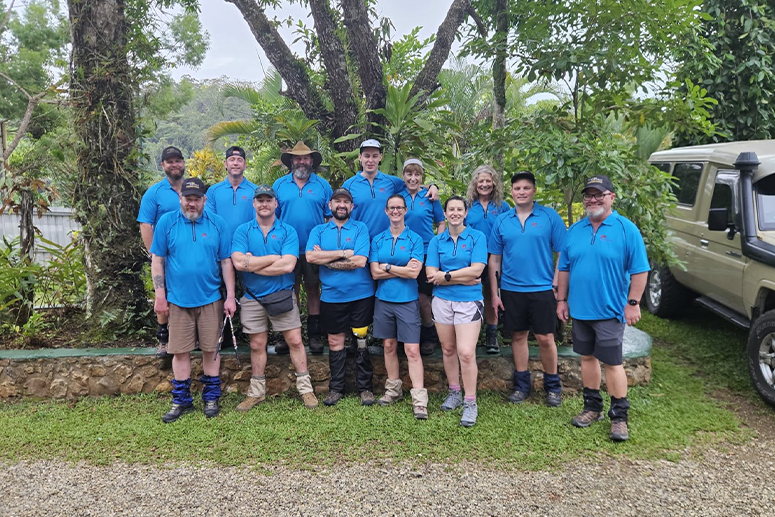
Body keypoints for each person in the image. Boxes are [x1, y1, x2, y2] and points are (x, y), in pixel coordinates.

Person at [556, 175, 649, 442]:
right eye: (588, 195)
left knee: (612, 362)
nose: (593, 199)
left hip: (610, 311)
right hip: (580, 311)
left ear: (611, 197)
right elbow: (564, 268)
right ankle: (592, 407)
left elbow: (640, 270)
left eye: (599, 194)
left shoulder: (625, 229)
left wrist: (633, 303)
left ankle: (619, 417)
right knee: (587, 359)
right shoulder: (575, 230)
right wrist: (562, 300)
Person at [150, 177, 237, 422]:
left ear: (204, 200)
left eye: (196, 199)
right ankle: (181, 401)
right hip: (178, 301)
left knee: (211, 350)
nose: (192, 203)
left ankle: (211, 398)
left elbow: (226, 262)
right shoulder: (167, 223)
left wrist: (230, 297)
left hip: (210, 298)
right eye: (188, 198)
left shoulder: (217, 224)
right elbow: (157, 260)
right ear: (181, 198)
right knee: (180, 353)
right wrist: (160, 295)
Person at [230, 185, 318, 411]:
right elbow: (238, 262)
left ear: (276, 204)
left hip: (282, 294)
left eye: (268, 200)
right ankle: (256, 393)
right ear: (254, 203)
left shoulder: (288, 230)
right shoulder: (243, 231)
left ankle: (306, 389)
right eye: (260, 200)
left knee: (295, 341)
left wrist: (253, 265)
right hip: (252, 297)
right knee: (257, 344)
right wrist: (272, 258)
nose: (264, 204)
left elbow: (288, 264)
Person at [489, 171, 566, 407]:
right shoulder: (503, 220)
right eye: (517, 188)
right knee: (518, 336)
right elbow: (494, 259)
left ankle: (553, 386)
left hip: (543, 288)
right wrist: (494, 292)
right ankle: (522, 384)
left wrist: (556, 285)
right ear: (511, 192)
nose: (521, 192)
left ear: (534, 191)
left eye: (526, 188)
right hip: (511, 289)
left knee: (545, 337)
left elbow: (563, 253)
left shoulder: (549, 217)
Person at [306, 188, 376, 406]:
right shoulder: (318, 230)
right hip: (331, 296)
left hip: (361, 294)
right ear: (330, 205)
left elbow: (361, 261)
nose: (342, 205)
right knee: (335, 341)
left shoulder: (360, 228)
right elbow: (310, 256)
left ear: (352, 206)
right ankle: (336, 388)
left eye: (346, 201)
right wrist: (345, 252)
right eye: (338, 201)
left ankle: (365, 388)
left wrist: (325, 260)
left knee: (361, 340)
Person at [426, 196, 487, 427]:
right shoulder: (436, 241)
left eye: (459, 209)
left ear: (465, 212)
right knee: (448, 349)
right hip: (442, 301)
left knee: (466, 352)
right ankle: (454, 392)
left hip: (469, 302)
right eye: (451, 209)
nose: (455, 213)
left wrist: (447, 276)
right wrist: (460, 277)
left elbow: (478, 269)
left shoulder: (476, 237)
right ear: (445, 212)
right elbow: (432, 275)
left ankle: (470, 402)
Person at [369, 194, 428, 419]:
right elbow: (374, 272)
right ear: (386, 211)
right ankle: (393, 390)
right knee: (389, 346)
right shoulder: (378, 239)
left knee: (412, 350)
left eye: (399, 208)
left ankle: (419, 399)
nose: (395, 212)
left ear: (405, 211)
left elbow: (414, 273)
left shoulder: (414, 239)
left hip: (407, 300)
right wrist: (397, 269)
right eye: (391, 208)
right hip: (383, 300)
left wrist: (386, 267)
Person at [272, 141, 333, 355]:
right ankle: (287, 335)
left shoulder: (323, 186)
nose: (301, 161)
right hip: (287, 250)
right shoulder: (279, 185)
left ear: (311, 161)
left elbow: (330, 218)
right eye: (297, 158)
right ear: (291, 162)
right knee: (290, 291)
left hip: (314, 249)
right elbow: (273, 218)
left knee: (314, 290)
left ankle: (315, 335)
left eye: (306, 158)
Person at [137, 146, 187, 358]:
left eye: (178, 160)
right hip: (165, 255)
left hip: (191, 254)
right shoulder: (154, 193)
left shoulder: (194, 189)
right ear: (163, 165)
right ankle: (163, 339)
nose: (174, 164)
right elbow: (146, 224)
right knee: (162, 296)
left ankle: (187, 335)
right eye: (170, 161)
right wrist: (153, 253)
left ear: (184, 163)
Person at [342, 139, 438, 239]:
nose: (370, 160)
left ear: (380, 157)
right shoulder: (349, 185)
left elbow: (413, 184)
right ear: (360, 157)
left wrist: (432, 187)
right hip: (360, 242)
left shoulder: (391, 182)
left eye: (375, 156)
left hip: (386, 242)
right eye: (367, 156)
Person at [400, 158, 446, 356]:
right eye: (409, 174)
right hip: (403, 251)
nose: (413, 178)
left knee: (423, 297)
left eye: (417, 174)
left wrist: (439, 242)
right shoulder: (398, 196)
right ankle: (408, 336)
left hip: (427, 251)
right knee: (405, 296)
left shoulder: (429, 197)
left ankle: (429, 334)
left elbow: (441, 221)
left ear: (422, 177)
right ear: (403, 176)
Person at [465, 165, 510, 354]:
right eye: (480, 181)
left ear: (494, 183)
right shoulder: (468, 206)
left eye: (488, 181)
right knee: (472, 295)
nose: (484, 184)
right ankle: (470, 335)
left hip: (496, 256)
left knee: (493, 295)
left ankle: (492, 335)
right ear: (475, 184)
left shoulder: (503, 206)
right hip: (472, 257)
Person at [205, 146, 258, 239]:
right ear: (225, 164)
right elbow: (209, 221)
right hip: (220, 246)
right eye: (232, 159)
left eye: (239, 160)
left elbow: (258, 222)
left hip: (247, 247)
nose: (235, 163)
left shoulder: (255, 191)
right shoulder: (213, 191)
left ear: (245, 165)